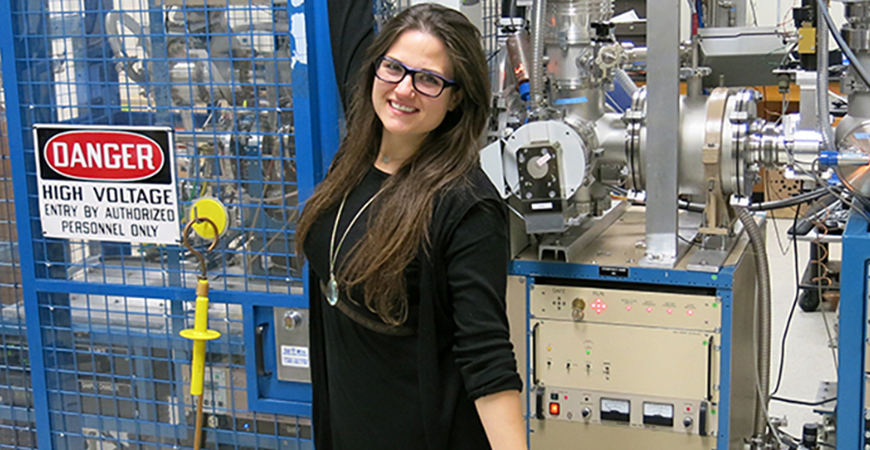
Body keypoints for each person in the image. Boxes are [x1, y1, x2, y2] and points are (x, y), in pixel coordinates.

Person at [296, 4, 526, 449]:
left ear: (456, 96)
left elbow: (486, 355)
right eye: (394, 68)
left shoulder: (466, 205)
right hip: (346, 427)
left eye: (429, 79)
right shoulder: (358, 153)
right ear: (376, 66)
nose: (404, 89)